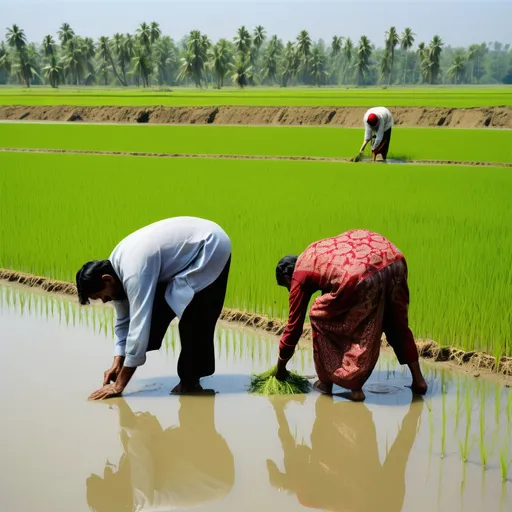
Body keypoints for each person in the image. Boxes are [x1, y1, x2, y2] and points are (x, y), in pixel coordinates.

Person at [76, 216, 232, 400]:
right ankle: (190, 379)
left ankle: (190, 380)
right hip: (187, 252)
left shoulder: (133, 271)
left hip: (210, 248)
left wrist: (119, 385)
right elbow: (123, 320)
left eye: (102, 296)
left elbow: (139, 324)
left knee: (193, 314)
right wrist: (118, 360)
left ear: (106, 280)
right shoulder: (114, 270)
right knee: (161, 312)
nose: (105, 301)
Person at [274, 229, 428, 402]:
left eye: (287, 286)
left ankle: (335, 385)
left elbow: (293, 327)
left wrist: (280, 369)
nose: (290, 290)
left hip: (358, 274)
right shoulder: (316, 252)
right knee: (396, 324)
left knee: (319, 316)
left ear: (288, 276)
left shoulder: (299, 275)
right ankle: (419, 380)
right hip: (393, 260)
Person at [267, 395, 424, 511]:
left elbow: (287, 441)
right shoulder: (309, 487)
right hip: (378, 497)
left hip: (377, 497)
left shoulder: (307, 490)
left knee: (399, 454)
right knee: (399, 454)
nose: (301, 445)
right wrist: (279, 411)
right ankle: (414, 415)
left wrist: (278, 410)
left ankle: (413, 417)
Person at [86, 396, 235, 511]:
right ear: (113, 492)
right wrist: (119, 402)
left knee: (147, 441)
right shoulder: (140, 495)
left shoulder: (132, 496)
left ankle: (197, 392)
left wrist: (120, 409)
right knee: (159, 435)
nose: (111, 473)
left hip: (211, 477)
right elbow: (139, 438)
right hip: (214, 476)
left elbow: (131, 440)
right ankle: (197, 393)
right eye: (108, 479)